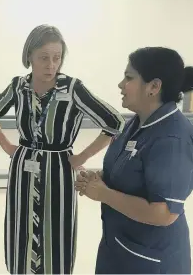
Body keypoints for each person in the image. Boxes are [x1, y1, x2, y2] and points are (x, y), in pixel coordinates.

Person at [0, 24, 125, 274]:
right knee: (21, 224)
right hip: (23, 167)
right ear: (30, 57)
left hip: (59, 167)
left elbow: (114, 122)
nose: (51, 65)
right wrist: (7, 146)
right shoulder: (19, 86)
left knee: (57, 227)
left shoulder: (72, 88)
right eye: (44, 58)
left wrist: (82, 156)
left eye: (57, 58)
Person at [76, 47, 193, 274]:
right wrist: (101, 179)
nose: (121, 85)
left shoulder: (171, 137)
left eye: (129, 78)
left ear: (153, 87)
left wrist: (104, 194)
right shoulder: (135, 123)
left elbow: (164, 212)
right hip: (120, 249)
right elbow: (132, 171)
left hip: (151, 260)